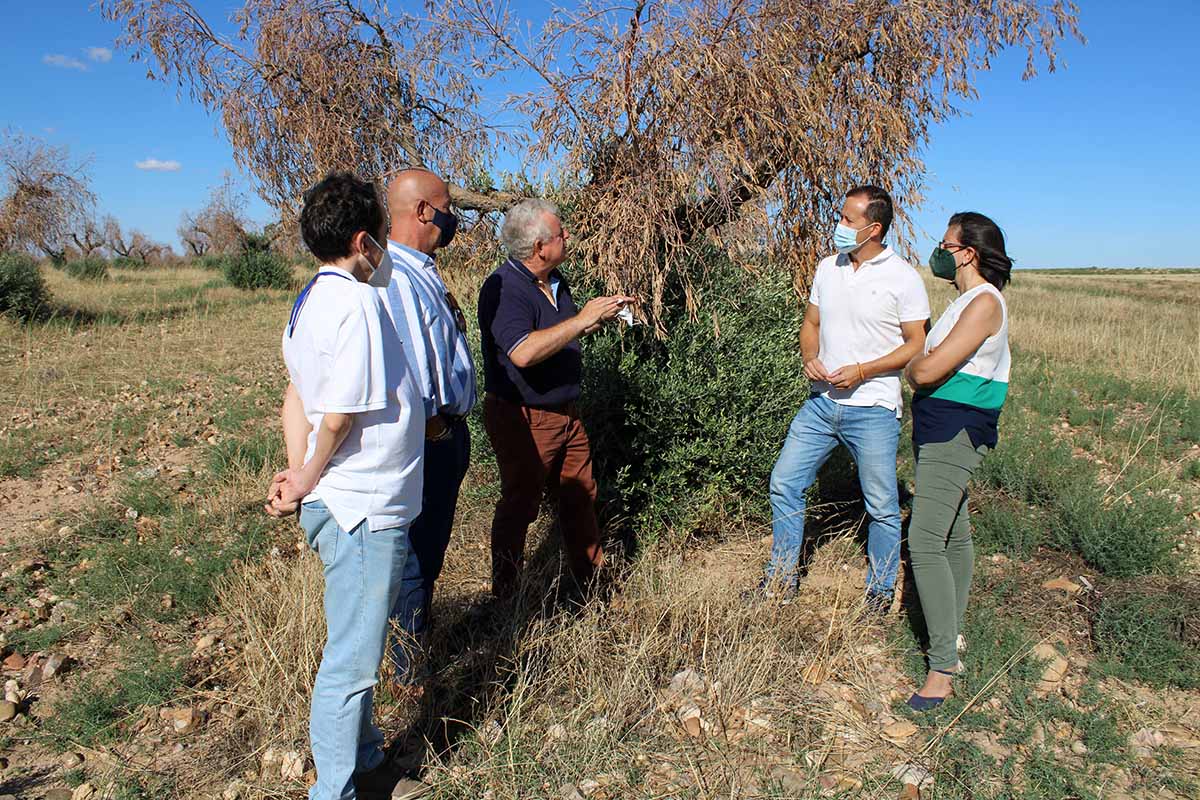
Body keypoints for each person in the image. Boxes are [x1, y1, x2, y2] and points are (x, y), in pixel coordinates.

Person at [264, 171, 425, 800]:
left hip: (347, 500)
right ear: (365, 238)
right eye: (382, 234)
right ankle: (335, 791)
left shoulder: (309, 301)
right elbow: (337, 413)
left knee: (357, 642)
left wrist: (297, 472)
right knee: (353, 664)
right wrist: (304, 476)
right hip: (362, 509)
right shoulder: (356, 302)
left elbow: (296, 393)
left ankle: (364, 756)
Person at [761, 185, 930, 611]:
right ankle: (780, 581)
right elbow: (811, 322)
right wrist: (809, 357)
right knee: (785, 482)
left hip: (872, 408)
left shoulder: (903, 278)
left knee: (881, 505)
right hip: (821, 404)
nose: (838, 227)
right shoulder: (827, 268)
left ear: (874, 229)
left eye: (847, 221)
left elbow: (916, 343)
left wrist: (863, 371)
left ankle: (878, 591)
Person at [476, 199, 633, 599]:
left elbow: (558, 334)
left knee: (581, 497)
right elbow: (523, 352)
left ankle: (592, 586)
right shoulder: (506, 289)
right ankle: (507, 596)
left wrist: (598, 317)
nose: (568, 237)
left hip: (566, 413)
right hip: (524, 417)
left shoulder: (555, 281)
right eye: (561, 233)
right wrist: (581, 320)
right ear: (539, 247)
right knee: (521, 505)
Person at [903, 212, 1012, 711]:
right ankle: (955, 636)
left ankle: (942, 669)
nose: (939, 251)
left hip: (955, 432)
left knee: (923, 540)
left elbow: (926, 368)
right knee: (953, 535)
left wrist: (914, 364)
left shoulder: (984, 302)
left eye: (946, 243)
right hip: (942, 428)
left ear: (967, 252)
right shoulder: (966, 301)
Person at [374, 168, 477, 686]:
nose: (452, 217)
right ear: (421, 212)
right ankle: (407, 672)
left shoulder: (421, 270)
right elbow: (409, 371)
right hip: (427, 438)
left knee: (429, 548)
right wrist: (436, 429)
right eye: (445, 206)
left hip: (443, 434)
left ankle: (414, 646)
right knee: (414, 554)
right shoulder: (394, 276)